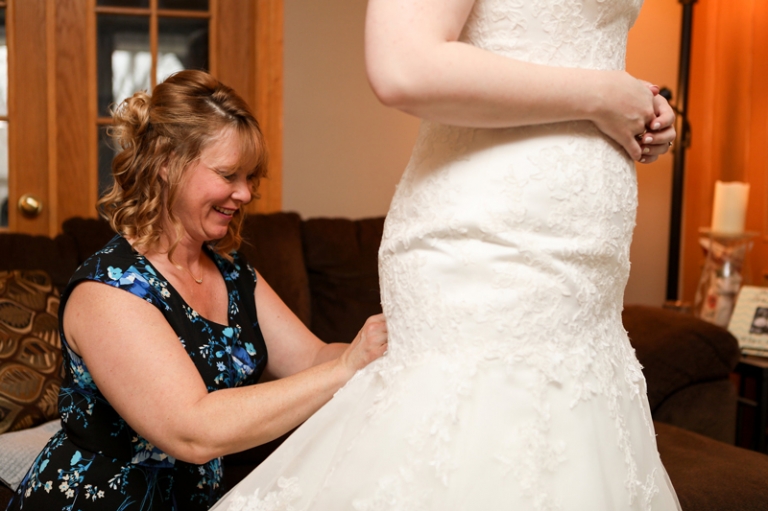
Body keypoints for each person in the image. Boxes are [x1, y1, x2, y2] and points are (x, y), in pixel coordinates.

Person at [213, 1, 682, 509]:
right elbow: (402, 64)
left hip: (589, 281)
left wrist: (641, 113)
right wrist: (605, 94)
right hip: (495, 250)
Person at [6, 70, 388, 511]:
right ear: (167, 163)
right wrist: (345, 368)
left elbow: (313, 357)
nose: (245, 193)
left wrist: (399, 345)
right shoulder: (108, 290)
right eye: (228, 175)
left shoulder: (232, 273)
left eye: (250, 177)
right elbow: (193, 430)